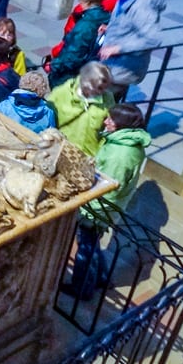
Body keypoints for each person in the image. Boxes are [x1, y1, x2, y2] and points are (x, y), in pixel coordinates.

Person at [66, 103, 151, 299]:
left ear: (121, 124)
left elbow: (109, 188)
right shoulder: (125, 144)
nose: (106, 121)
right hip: (105, 207)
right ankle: (102, 278)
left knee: (85, 248)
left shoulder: (120, 154)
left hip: (97, 209)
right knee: (92, 243)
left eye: (111, 119)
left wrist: (89, 209)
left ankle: (82, 289)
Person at [98, 0, 166, 101]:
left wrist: (117, 48)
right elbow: (128, 23)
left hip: (123, 67)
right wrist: (110, 28)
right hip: (113, 63)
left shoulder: (142, 5)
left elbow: (153, 39)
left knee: (104, 102)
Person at [45, 0, 111, 88]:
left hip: (70, 74)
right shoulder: (106, 17)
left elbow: (73, 55)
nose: (79, 3)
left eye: (81, 0)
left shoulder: (85, 26)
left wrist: (54, 66)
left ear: (88, 2)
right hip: (89, 68)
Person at [47, 61, 116, 156]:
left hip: (88, 155)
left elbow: (111, 127)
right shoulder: (61, 93)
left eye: (105, 87)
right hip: (60, 150)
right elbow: (46, 119)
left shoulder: (108, 99)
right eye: (99, 88)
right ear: (87, 82)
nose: (102, 92)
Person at [48, 0, 117, 61]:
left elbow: (75, 35)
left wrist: (56, 52)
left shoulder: (90, 8)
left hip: (75, 50)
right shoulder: (116, 0)